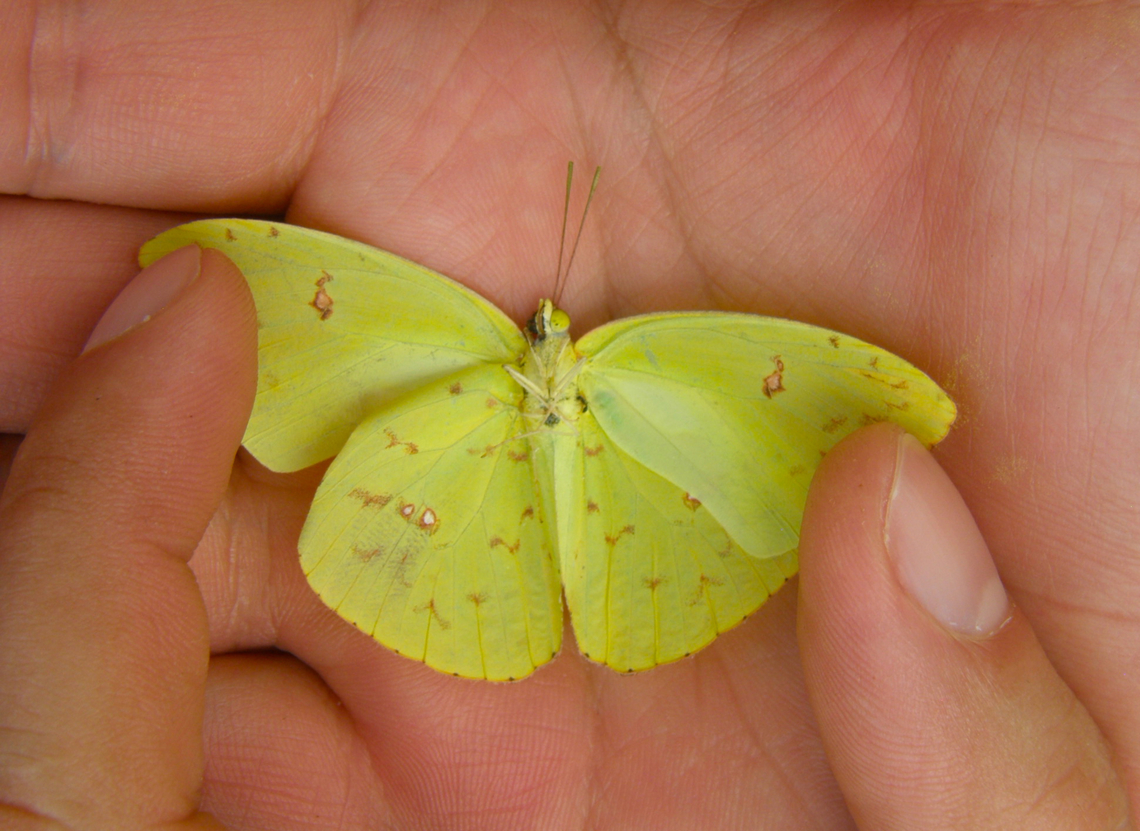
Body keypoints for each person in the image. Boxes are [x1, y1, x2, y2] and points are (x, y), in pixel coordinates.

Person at [1, 2, 1136, 828]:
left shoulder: (596, 348)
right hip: (524, 496)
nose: (545, 336)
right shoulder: (571, 343)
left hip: (538, 498)